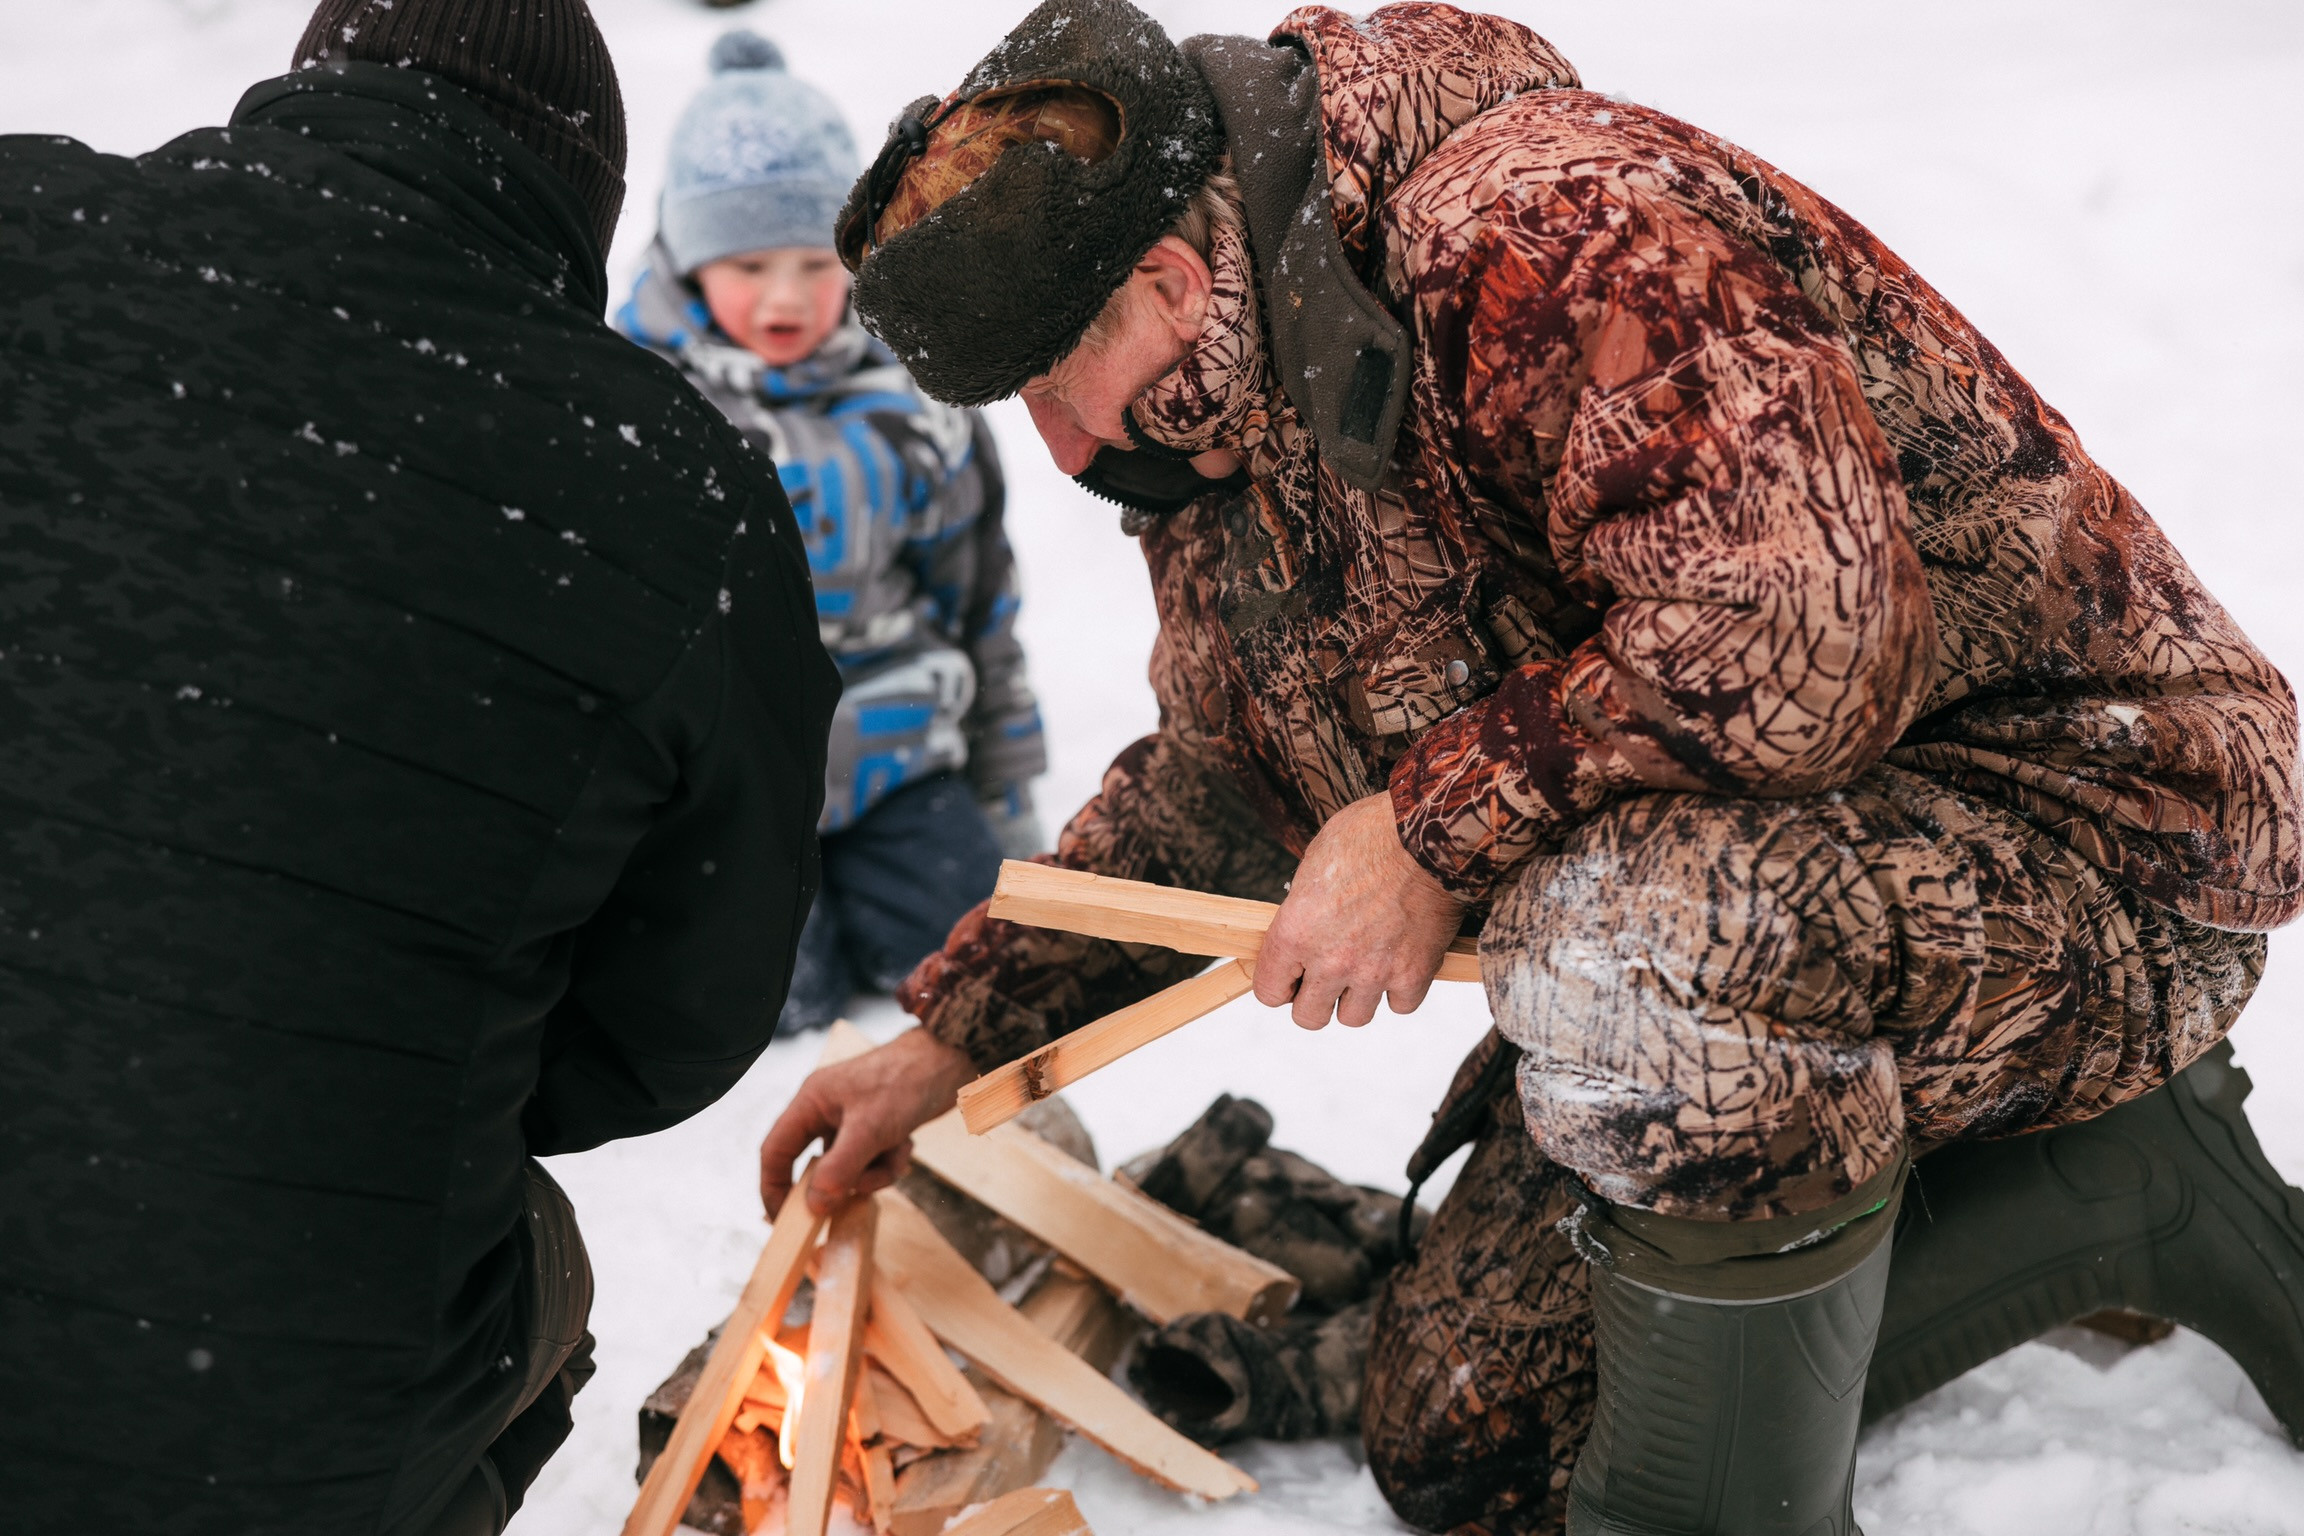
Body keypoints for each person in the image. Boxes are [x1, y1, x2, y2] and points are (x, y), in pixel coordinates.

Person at [757, 3, 2304, 1533]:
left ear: (1165, 283)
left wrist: (1426, 832)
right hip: (1777, 884)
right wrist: (956, 1037)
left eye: (1045, 390)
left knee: (1625, 957)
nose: (1060, 446)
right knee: (1472, 1440)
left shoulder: (1551, 227)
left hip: (2102, 839)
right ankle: (2113, 1183)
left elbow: (1798, 632)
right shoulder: (1218, 400)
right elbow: (1223, 785)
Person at [0, 1, 839, 1532]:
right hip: (259, 1444)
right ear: (579, 206)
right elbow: (677, 1023)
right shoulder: (669, 489)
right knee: (518, 1249)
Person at [622, 32, 1048, 1034]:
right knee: (765, 1004)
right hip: (728, 785)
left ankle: (888, 881)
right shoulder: (643, 409)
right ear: (685, 258)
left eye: (814, 262)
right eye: (748, 262)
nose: (785, 296)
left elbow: (975, 594)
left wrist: (1006, 791)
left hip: (897, 753)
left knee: (979, 970)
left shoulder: (914, 398)